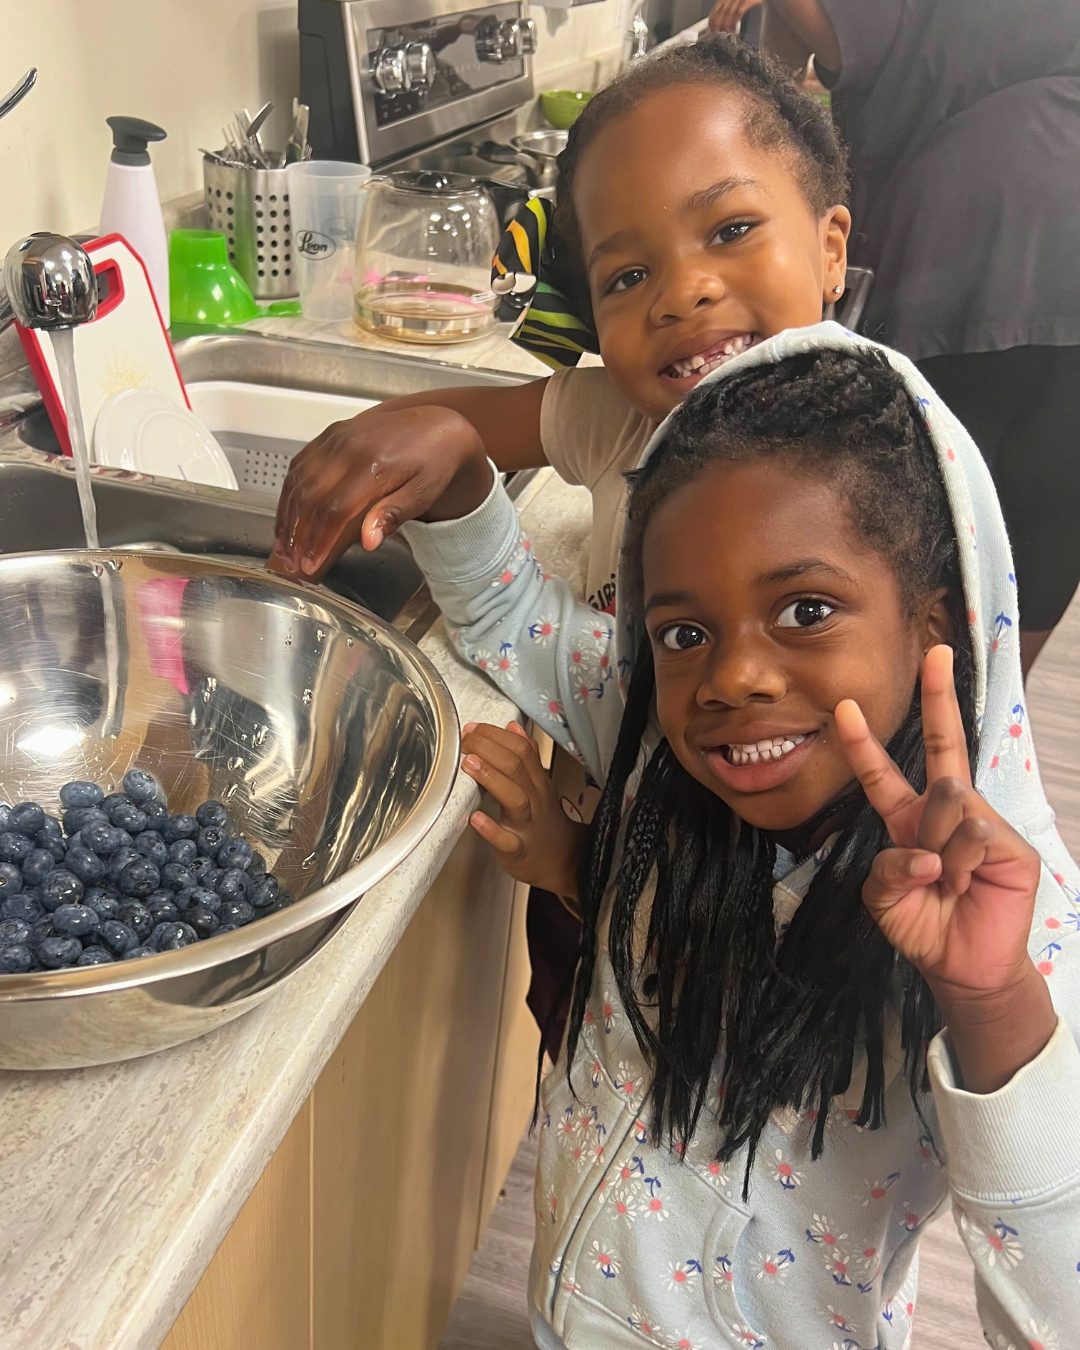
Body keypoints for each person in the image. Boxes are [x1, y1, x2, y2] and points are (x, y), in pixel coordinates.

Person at [397, 328, 1080, 1349]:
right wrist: (454, 474)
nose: (733, 677)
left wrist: (993, 1007)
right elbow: (509, 612)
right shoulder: (664, 746)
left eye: (805, 610)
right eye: (684, 633)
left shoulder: (1008, 929)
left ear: (932, 626)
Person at [271, 34, 852, 1054]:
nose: (681, 293)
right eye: (626, 274)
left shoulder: (889, 495)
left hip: (774, 1012)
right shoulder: (628, 419)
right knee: (574, 1048)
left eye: (733, 227)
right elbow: (500, 462)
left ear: (832, 247)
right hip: (604, 899)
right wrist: (573, 861)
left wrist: (580, 861)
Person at [708, 0, 1080, 677]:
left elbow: (846, 48)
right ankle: (989, 730)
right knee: (1047, 509)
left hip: (980, 244)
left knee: (918, 520)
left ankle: (914, 730)